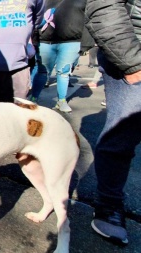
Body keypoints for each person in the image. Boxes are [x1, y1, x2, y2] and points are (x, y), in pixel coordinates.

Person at [85, 0, 141, 245]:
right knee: (121, 134)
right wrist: (132, 62)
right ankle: (109, 204)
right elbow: (104, 3)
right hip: (133, 49)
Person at [30, 0, 87, 113]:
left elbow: (88, 18)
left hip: (71, 41)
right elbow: (35, 17)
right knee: (42, 72)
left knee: (64, 72)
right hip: (45, 41)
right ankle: (33, 99)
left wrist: (86, 43)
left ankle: (61, 101)